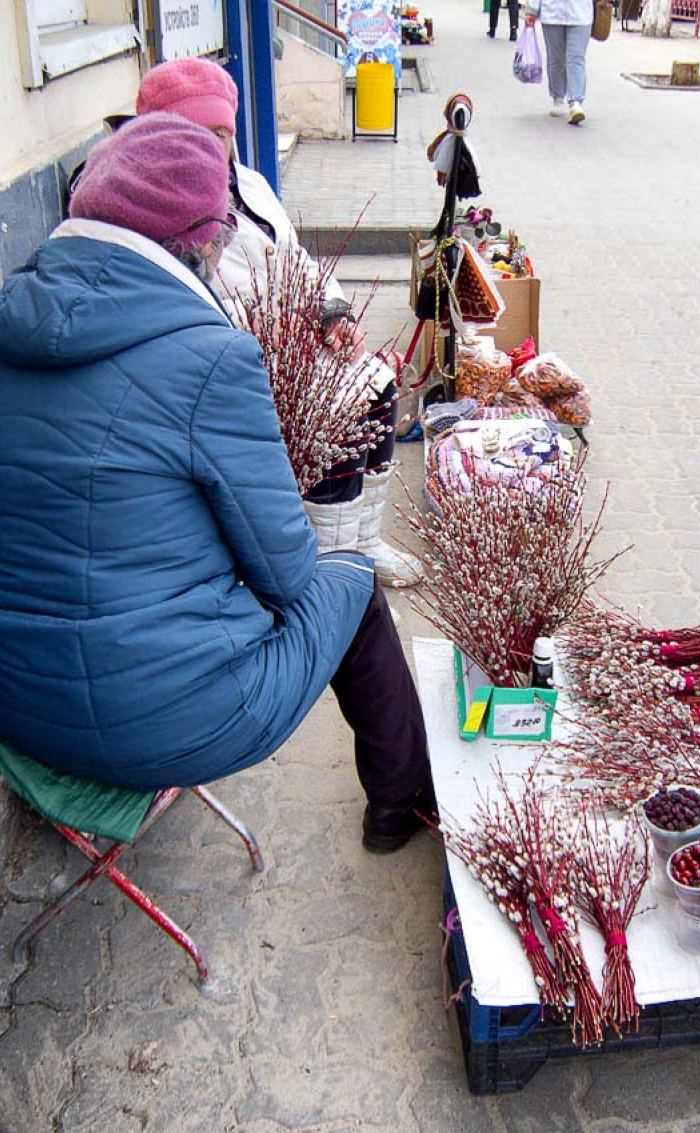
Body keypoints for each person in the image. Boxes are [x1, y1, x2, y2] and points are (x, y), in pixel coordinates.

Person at [0, 114, 433, 854]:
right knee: (351, 581)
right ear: (202, 241)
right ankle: (401, 801)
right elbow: (291, 573)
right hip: (168, 722)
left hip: (18, 704)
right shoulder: (210, 359)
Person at [133, 58, 422, 588]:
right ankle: (331, 569)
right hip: (238, 369)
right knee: (331, 413)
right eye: (198, 134)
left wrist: (331, 311)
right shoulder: (166, 216)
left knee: (377, 386)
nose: (213, 148)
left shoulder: (250, 185)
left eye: (222, 132)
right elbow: (191, 317)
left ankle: (361, 543)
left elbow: (298, 261)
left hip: (293, 347)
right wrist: (271, 339)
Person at [525, 0, 593, 124]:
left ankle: (575, 102)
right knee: (556, 59)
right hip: (552, 13)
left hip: (581, 13)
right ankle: (558, 97)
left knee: (576, 58)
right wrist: (532, 9)